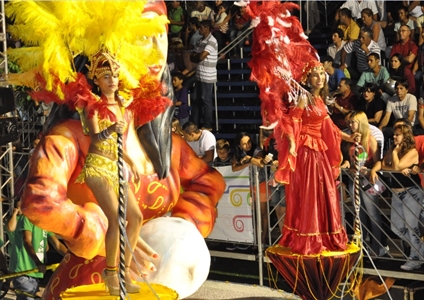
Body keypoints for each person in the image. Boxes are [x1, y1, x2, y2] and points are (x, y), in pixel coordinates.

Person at [74, 49, 143, 295]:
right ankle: (110, 273)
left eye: (114, 75)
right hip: (97, 167)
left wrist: (130, 161)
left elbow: (118, 144)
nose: (112, 79)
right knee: (115, 219)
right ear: (97, 80)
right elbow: (95, 137)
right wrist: (112, 128)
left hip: (116, 166)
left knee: (136, 218)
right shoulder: (93, 105)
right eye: (106, 76)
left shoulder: (123, 106)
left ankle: (122, 272)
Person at [277, 60, 348, 255]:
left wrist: (350, 137)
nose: (320, 77)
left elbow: (329, 127)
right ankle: (309, 237)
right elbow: (292, 122)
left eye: (322, 74)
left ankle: (324, 235)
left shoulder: (319, 101)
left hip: (319, 153)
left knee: (324, 193)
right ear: (308, 79)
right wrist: (292, 143)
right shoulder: (305, 99)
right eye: (315, 74)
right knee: (310, 194)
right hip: (307, 152)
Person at [370, 123, 424, 270]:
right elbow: (385, 164)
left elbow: (396, 167)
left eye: (397, 135)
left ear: (405, 136)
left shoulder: (412, 151)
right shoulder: (393, 148)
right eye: (394, 134)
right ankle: (420, 249)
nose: (394, 137)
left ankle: (415, 258)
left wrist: (394, 157)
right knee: (396, 227)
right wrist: (393, 164)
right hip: (396, 193)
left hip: (410, 192)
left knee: (411, 227)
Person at [344, 111, 388, 257]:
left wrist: (371, 170)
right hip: (354, 179)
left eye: (353, 122)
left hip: (367, 180)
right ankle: (361, 243)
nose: (350, 125)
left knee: (372, 213)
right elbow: (349, 159)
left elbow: (378, 161)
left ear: (360, 122)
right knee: (358, 213)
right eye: (349, 122)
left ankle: (378, 246)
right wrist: (350, 167)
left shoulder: (370, 139)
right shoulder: (350, 140)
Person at [7, 201, 67, 300]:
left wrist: (72, 257)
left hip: (35, 273)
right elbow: (27, 241)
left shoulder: (44, 224)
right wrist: (38, 262)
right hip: (24, 271)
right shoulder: (27, 218)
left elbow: (58, 245)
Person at [232, 132, 271, 246]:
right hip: (247, 185)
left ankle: (262, 240)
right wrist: (248, 163)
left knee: (263, 213)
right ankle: (253, 239)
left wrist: (248, 158)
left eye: (249, 142)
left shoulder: (257, 150)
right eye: (244, 144)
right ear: (239, 146)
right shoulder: (238, 153)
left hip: (261, 183)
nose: (247, 145)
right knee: (251, 213)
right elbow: (234, 168)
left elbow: (260, 163)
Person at [190, 20, 218, 131]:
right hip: (199, 75)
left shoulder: (212, 41)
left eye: (201, 28)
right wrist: (196, 56)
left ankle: (207, 124)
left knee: (206, 100)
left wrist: (196, 56)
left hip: (208, 76)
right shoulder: (201, 41)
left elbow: (200, 57)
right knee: (197, 99)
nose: (199, 30)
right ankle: (195, 123)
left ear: (206, 28)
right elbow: (192, 56)